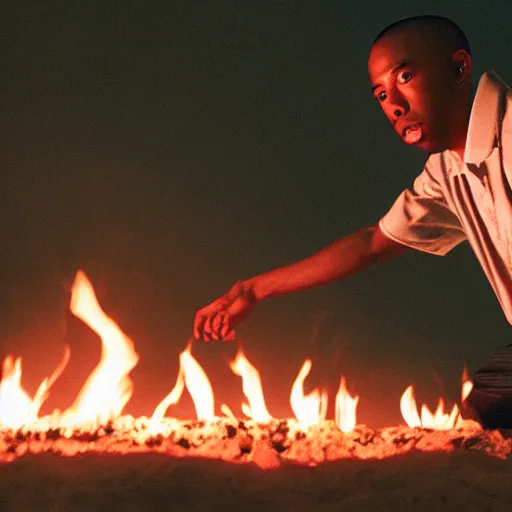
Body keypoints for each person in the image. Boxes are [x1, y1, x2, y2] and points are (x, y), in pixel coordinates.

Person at [193, 15, 512, 429]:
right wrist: (252, 290)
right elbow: (371, 244)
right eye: (381, 94)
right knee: (484, 409)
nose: (394, 104)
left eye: (406, 76)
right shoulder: (448, 171)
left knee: (487, 418)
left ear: (459, 68)